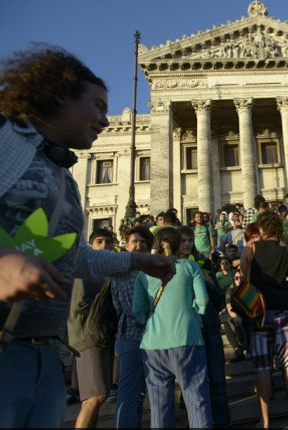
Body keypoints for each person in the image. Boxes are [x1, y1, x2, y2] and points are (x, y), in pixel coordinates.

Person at [0, 45, 175, 428]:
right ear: (60, 97)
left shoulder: (64, 176)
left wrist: (135, 260)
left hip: (43, 350)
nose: (103, 119)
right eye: (97, 106)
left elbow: (75, 257)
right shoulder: (6, 138)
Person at [240, 210, 288, 429]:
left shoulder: (250, 249)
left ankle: (264, 422)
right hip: (284, 312)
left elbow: (244, 284)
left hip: (259, 316)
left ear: (262, 229)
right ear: (278, 229)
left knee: (263, 368)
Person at [133, 228, 213, 428]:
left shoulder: (144, 273)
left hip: (152, 344)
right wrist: (193, 310)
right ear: (178, 245)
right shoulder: (190, 266)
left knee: (159, 407)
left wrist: (149, 319)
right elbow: (203, 301)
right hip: (187, 338)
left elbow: (137, 311)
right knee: (196, 399)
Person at [178, 225, 230, 428]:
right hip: (188, 332)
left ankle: (223, 424)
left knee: (217, 382)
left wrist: (208, 281)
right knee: (192, 386)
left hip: (209, 328)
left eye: (189, 240)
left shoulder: (205, 263)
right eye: (183, 240)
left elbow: (218, 299)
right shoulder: (172, 266)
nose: (187, 244)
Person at [67, 229, 116, 428]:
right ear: (90, 245)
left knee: (95, 396)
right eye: (99, 242)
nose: (104, 246)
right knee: (97, 394)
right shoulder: (85, 269)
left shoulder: (105, 271)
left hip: (100, 336)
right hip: (86, 337)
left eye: (108, 242)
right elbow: (79, 304)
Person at [111, 226, 154, 428]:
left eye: (144, 242)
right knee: (129, 396)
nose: (140, 245)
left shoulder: (144, 270)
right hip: (132, 337)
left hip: (142, 338)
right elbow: (132, 310)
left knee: (137, 396)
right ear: (126, 246)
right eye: (135, 242)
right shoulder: (128, 272)